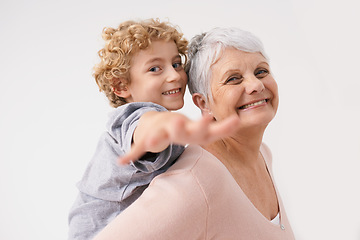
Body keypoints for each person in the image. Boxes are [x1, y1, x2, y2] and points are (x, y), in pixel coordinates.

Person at [93, 27, 295, 239]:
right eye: (233, 79)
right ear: (203, 103)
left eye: (261, 71)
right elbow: (146, 125)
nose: (255, 84)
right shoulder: (196, 180)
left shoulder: (263, 154)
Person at [68, 19, 239, 240]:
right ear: (122, 86)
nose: (174, 75)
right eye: (155, 69)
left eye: (176, 64)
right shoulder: (134, 117)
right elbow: (148, 130)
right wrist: (167, 128)